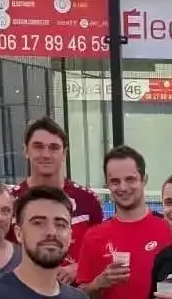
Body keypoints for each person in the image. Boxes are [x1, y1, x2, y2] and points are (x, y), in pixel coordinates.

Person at [76, 144, 172, 299]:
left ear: (144, 180)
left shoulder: (168, 231)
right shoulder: (95, 237)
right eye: (115, 181)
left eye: (130, 179)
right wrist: (100, 283)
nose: (123, 187)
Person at [8, 116, 103, 282]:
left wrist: (79, 267)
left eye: (54, 148)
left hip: (77, 296)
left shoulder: (88, 200)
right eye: (38, 147)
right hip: (24, 295)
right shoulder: (9, 202)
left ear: (64, 153)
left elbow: (101, 249)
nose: (45, 154)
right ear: (26, 151)